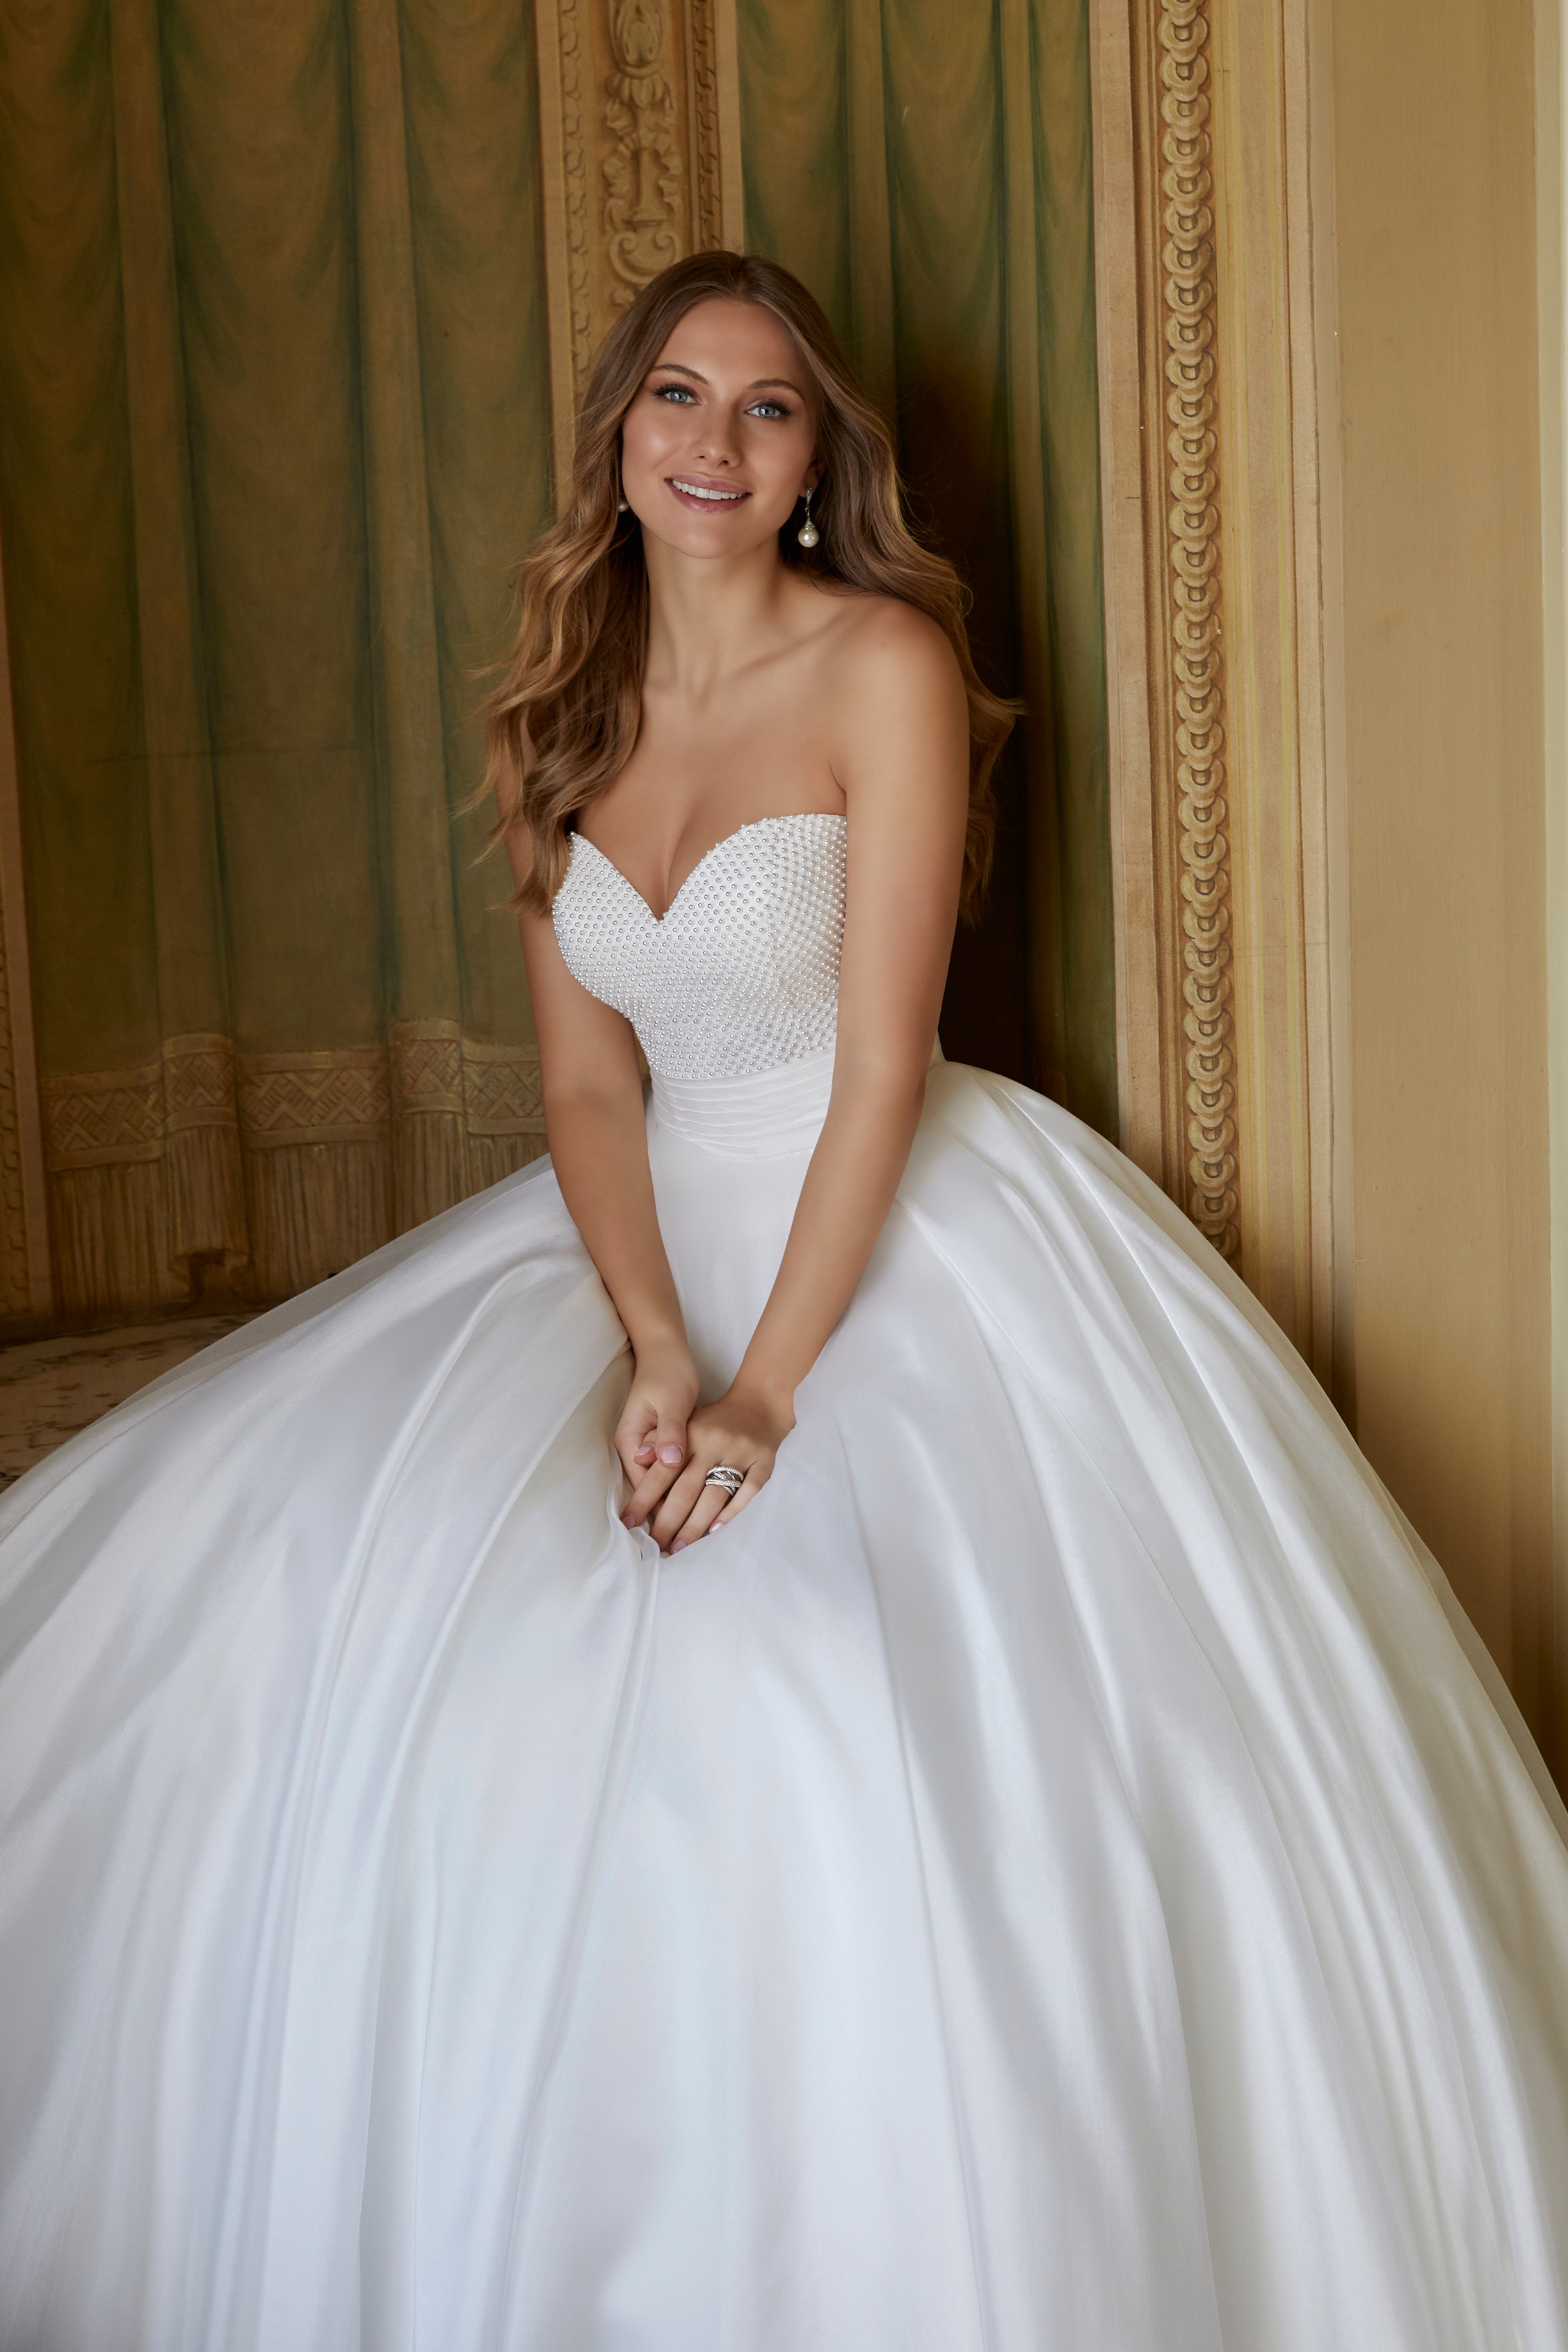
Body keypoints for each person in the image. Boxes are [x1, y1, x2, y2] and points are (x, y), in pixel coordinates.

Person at [2, 249, 1567, 2352]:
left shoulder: (882, 667)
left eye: (765, 407)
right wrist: (653, 1340)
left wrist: (763, 1391)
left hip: (880, 1207)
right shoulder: (563, 703)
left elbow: (885, 1066)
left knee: (814, 1690)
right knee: (279, 1559)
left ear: (819, 458)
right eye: (676, 397)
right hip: (644, 1223)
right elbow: (579, 1079)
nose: (714, 443)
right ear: (617, 443)